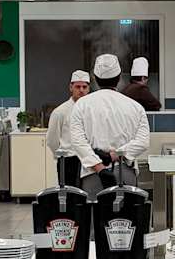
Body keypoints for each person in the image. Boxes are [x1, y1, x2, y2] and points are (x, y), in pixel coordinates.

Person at [69, 54, 151, 196]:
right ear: (119, 78)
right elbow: (143, 142)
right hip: (125, 173)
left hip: (93, 174)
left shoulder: (81, 105)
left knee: (95, 210)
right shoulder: (135, 107)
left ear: (94, 78)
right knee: (126, 210)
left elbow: (78, 142)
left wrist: (100, 168)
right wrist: (116, 154)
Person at [47, 69, 90, 188]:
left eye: (84, 87)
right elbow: (52, 140)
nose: (81, 90)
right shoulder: (60, 112)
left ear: (88, 89)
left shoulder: (92, 110)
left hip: (89, 160)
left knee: (88, 193)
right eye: (78, 87)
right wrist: (61, 154)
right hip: (68, 160)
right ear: (71, 88)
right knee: (69, 194)